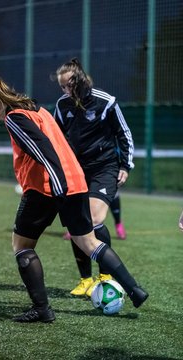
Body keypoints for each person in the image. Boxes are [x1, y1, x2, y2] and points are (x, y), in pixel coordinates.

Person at [0, 76, 148, 323]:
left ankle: (42, 309)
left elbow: (43, 150)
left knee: (22, 247)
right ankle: (134, 289)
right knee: (89, 243)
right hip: (76, 182)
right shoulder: (37, 109)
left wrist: (57, 185)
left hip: (46, 188)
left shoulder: (13, 117)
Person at [53, 58, 133, 296]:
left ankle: (105, 274)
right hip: (76, 171)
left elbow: (124, 133)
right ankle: (85, 280)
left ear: (79, 81)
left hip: (104, 168)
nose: (65, 91)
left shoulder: (105, 101)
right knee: (78, 222)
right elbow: (57, 138)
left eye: (68, 85)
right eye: (62, 87)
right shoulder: (63, 105)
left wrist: (125, 166)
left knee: (95, 218)